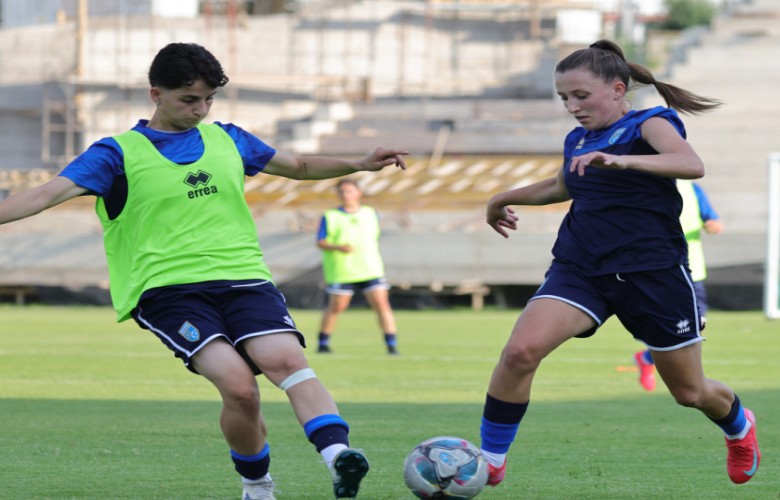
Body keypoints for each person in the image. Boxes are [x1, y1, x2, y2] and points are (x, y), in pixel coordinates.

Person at [0, 43, 408, 500]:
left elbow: (298, 166)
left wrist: (359, 163)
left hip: (245, 279)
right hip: (168, 292)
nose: (201, 110)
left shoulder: (229, 139)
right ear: (156, 94)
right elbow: (43, 195)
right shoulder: (116, 154)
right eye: (189, 100)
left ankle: (339, 458)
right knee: (240, 388)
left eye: (209, 99)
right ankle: (257, 485)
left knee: (288, 362)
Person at [478, 39, 760, 488]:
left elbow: (691, 165)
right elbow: (560, 186)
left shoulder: (650, 123)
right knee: (520, 352)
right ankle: (490, 459)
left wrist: (623, 161)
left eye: (580, 95)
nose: (572, 107)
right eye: (564, 98)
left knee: (690, 392)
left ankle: (739, 426)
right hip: (581, 268)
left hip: (653, 273)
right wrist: (501, 198)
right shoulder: (578, 139)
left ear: (616, 89)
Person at [634, 179, 725, 391]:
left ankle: (648, 358)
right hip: (660, 268)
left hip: (692, 268)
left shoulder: (692, 189)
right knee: (670, 324)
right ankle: (683, 376)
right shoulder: (646, 185)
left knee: (696, 324)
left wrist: (713, 226)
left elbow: (713, 221)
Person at [315, 179, 399, 355]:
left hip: (370, 268)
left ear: (358, 192)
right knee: (337, 307)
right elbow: (320, 242)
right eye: (342, 192)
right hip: (342, 270)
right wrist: (338, 247)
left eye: (349, 191)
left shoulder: (370, 213)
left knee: (382, 304)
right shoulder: (330, 216)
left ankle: (391, 345)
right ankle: (323, 343)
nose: (346, 195)